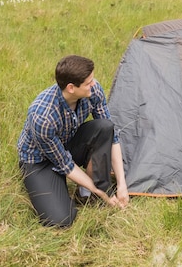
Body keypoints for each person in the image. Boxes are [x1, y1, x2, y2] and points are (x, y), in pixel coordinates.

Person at [18, 54, 129, 227]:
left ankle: (86, 193)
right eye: (88, 83)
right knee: (60, 220)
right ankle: (93, 190)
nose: (94, 84)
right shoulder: (42, 116)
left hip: (67, 142)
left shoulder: (93, 90)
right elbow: (65, 164)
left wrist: (122, 184)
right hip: (40, 161)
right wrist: (102, 193)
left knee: (105, 127)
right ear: (71, 88)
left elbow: (111, 135)